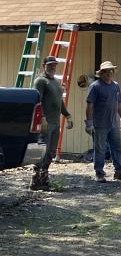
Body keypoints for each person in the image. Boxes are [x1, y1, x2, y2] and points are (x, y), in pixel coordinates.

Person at [31, 56, 73, 190]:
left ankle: (44, 178)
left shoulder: (56, 81)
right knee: (42, 151)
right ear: (44, 66)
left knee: (51, 151)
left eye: (54, 65)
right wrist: (41, 119)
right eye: (50, 65)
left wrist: (67, 115)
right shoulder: (41, 81)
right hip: (46, 122)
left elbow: (59, 101)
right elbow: (37, 101)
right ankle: (36, 180)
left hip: (55, 122)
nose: (53, 67)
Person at [85, 61, 121, 182]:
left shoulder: (115, 85)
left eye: (111, 71)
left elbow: (118, 102)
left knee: (117, 147)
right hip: (100, 123)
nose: (109, 73)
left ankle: (119, 171)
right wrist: (89, 123)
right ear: (101, 73)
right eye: (106, 71)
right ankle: (99, 173)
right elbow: (89, 105)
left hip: (114, 123)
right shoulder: (95, 86)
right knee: (100, 149)